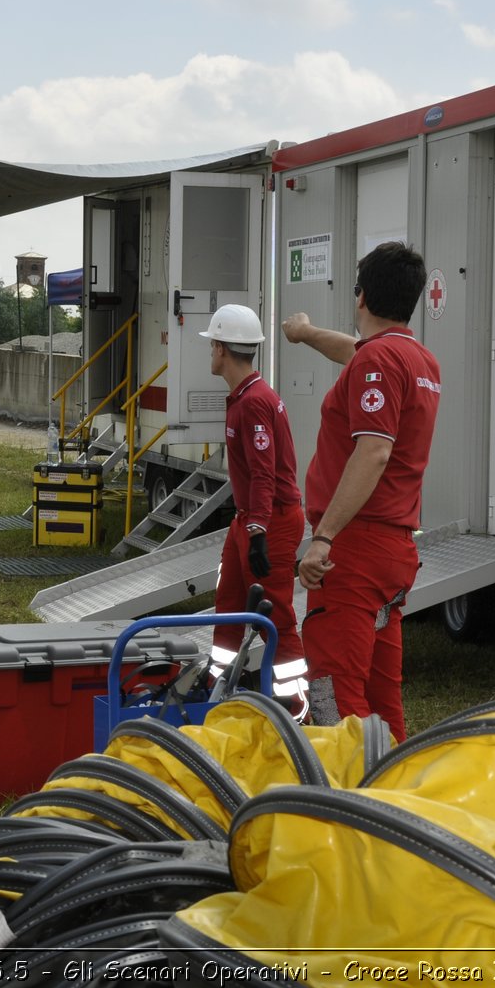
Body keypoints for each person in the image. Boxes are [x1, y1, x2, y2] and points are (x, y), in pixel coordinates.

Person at [284, 241, 440, 741]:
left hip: (354, 549)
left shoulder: (377, 363)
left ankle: (341, 803)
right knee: (380, 694)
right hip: (394, 549)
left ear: (361, 297)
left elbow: (372, 451)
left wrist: (324, 536)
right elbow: (352, 350)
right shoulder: (415, 360)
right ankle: (394, 797)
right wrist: (306, 334)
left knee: (335, 694)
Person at [198, 304, 310, 716]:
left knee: (276, 611)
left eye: (212, 344)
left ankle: (295, 702)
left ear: (223, 348)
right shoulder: (246, 397)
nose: (209, 352)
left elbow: (264, 474)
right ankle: (218, 683)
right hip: (250, 519)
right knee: (228, 602)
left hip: (271, 520)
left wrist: (259, 531)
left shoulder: (254, 403)